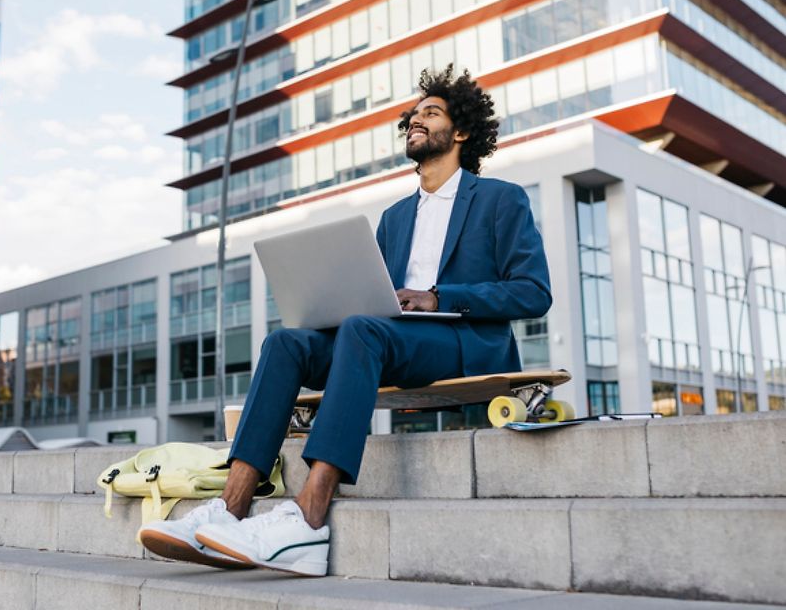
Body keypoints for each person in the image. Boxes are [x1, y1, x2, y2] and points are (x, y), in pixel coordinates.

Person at [139, 65, 551, 576]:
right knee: (287, 342)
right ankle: (230, 508)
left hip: (463, 342)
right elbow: (370, 296)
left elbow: (533, 292)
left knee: (362, 329)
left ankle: (309, 521)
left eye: (430, 113)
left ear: (461, 131)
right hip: (389, 341)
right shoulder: (395, 217)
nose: (415, 121)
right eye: (413, 116)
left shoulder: (499, 199)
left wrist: (437, 295)